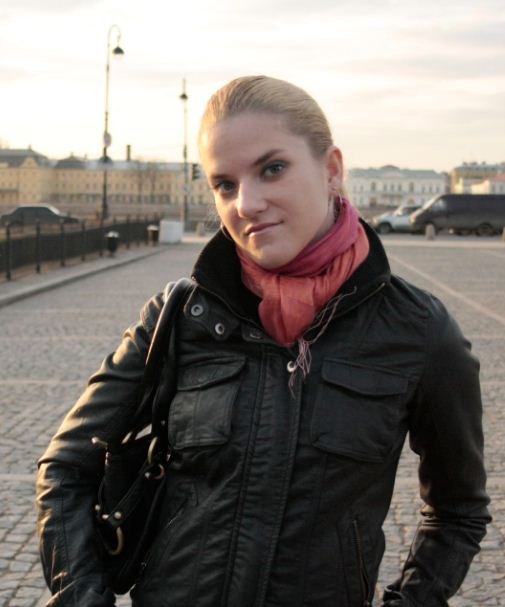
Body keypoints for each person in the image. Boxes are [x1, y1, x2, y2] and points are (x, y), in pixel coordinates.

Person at [36, 75, 490, 607]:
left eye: (272, 169)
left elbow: (458, 510)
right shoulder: (179, 316)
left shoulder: (418, 329)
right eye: (224, 185)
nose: (246, 203)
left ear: (332, 170)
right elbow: (66, 467)